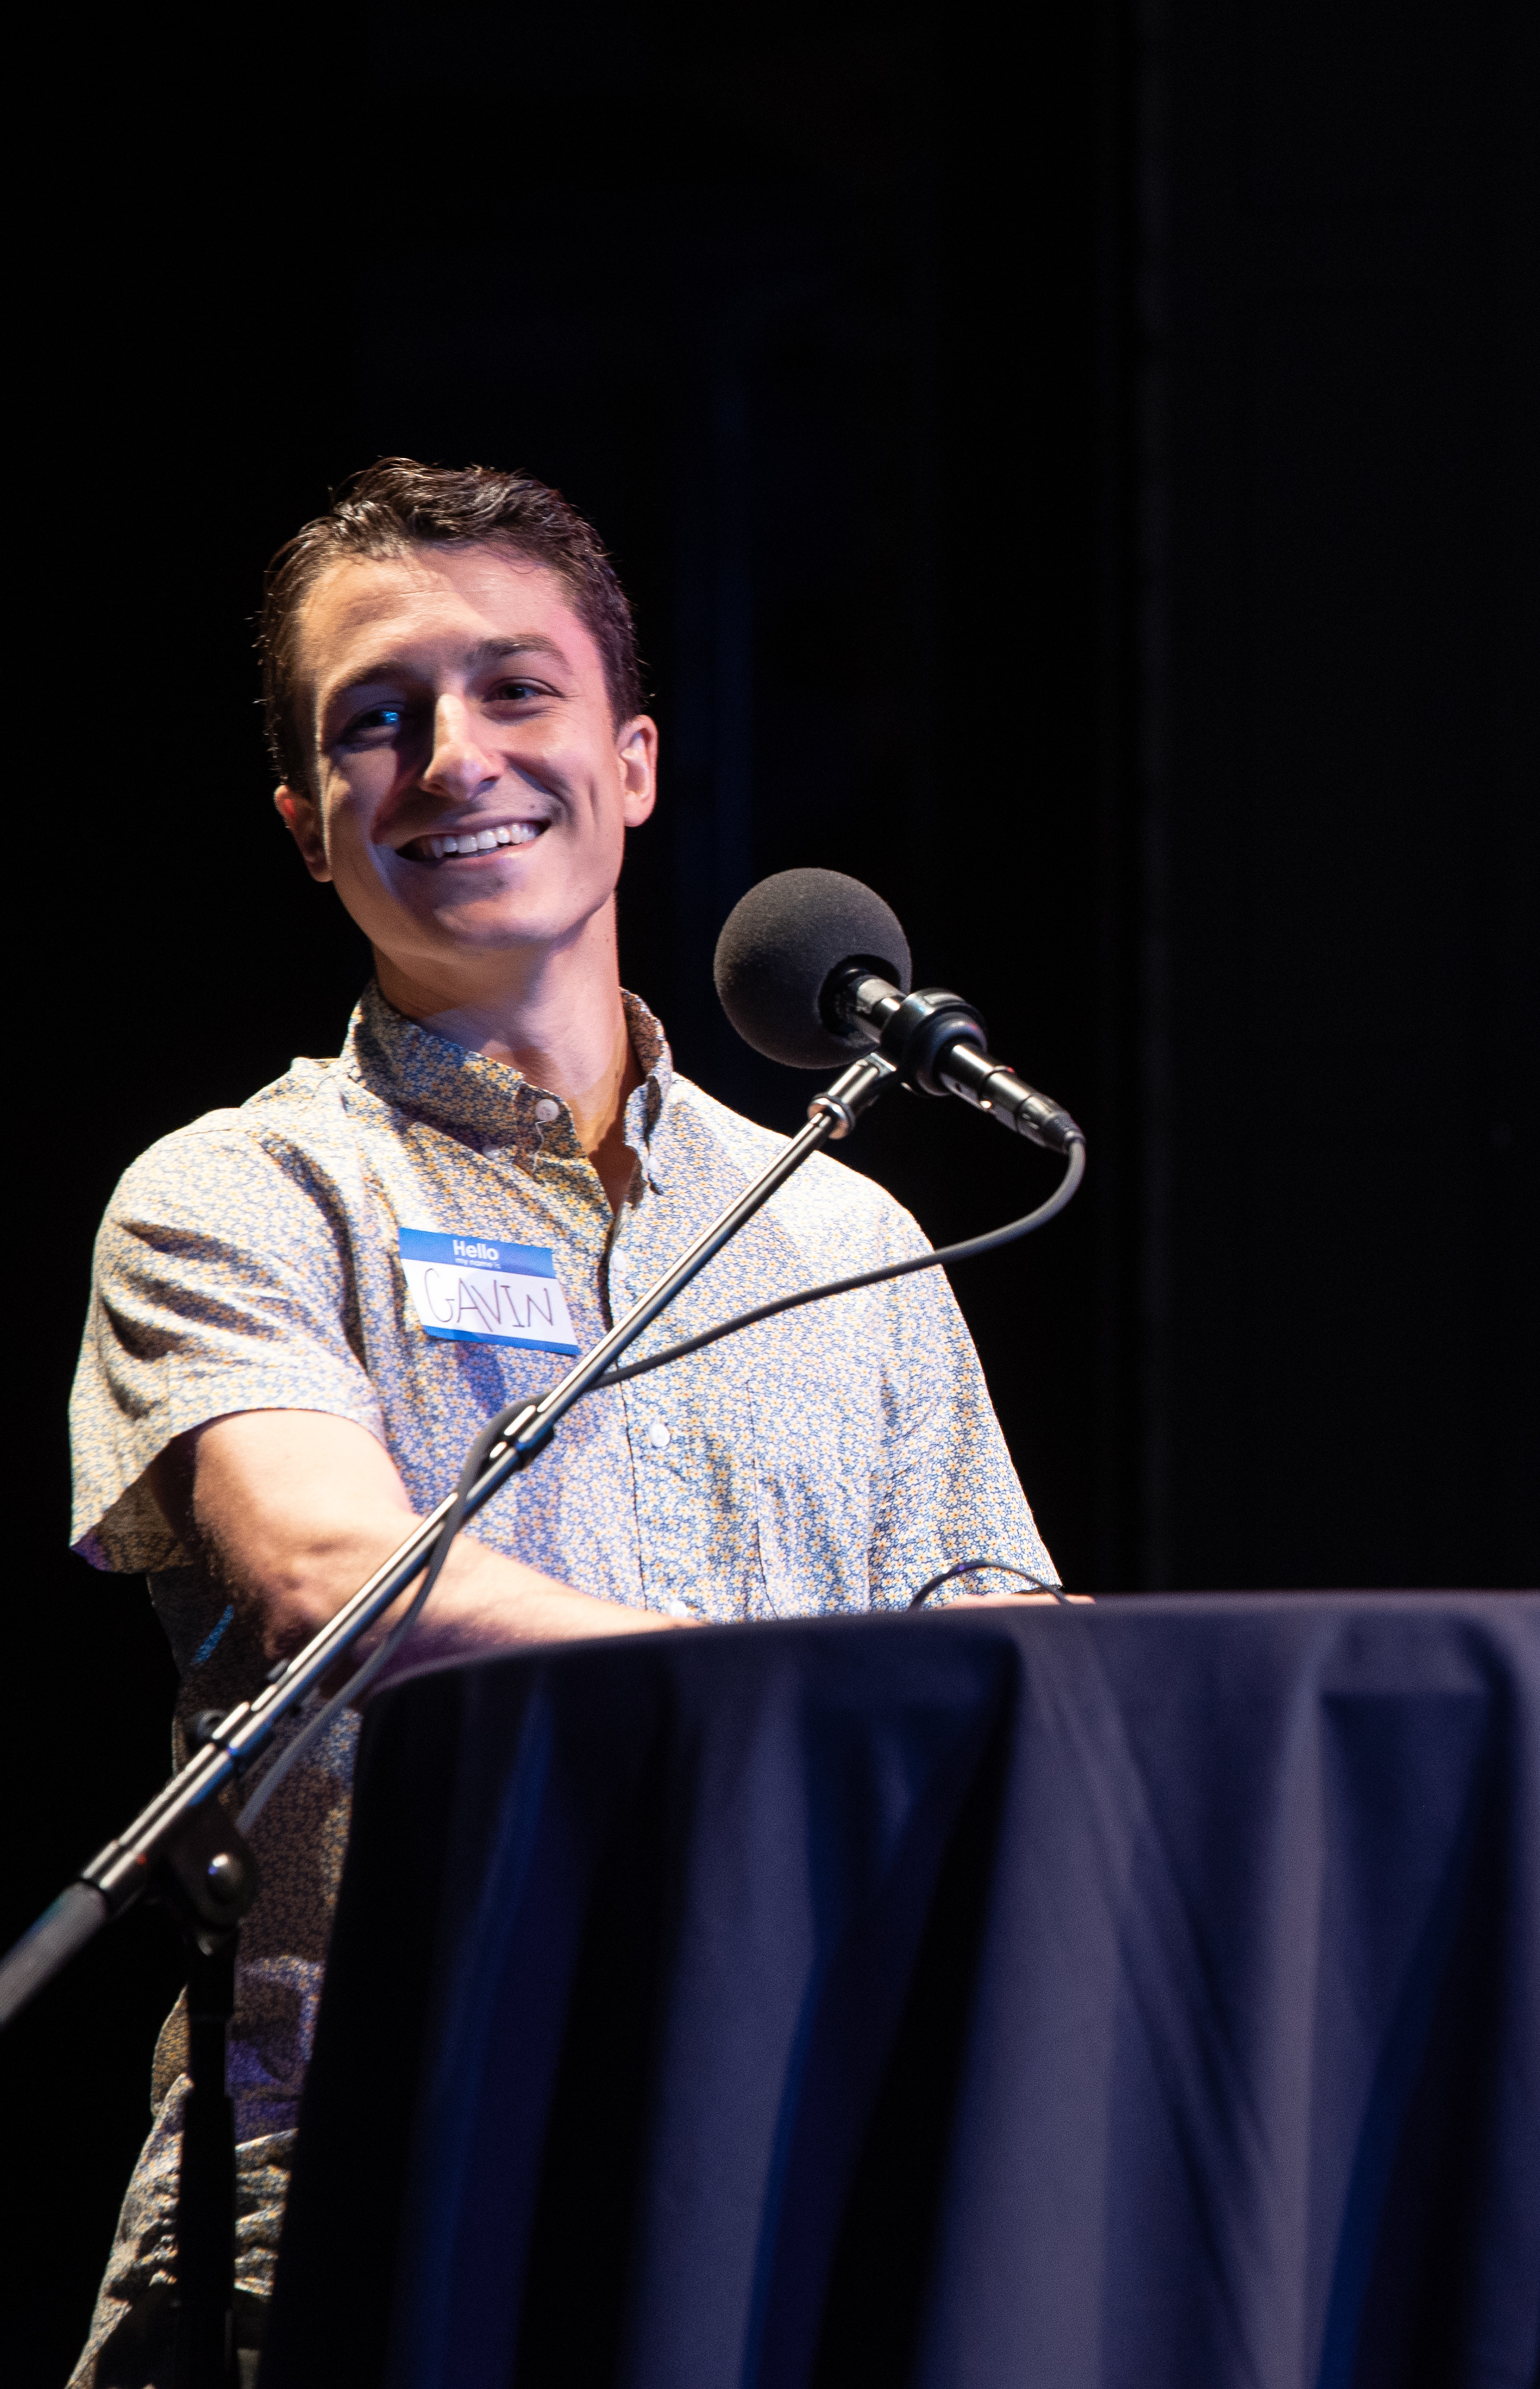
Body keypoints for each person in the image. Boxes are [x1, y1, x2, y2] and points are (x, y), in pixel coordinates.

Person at [65, 460, 1058, 2382]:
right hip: (375, 2159)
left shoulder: (841, 1221)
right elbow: (331, 1576)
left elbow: (996, 1657)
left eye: (516, 691)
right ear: (304, 821)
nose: (453, 756)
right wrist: (785, 1682)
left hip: (802, 2158)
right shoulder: (241, 1190)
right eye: (378, 717)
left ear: (635, 761)